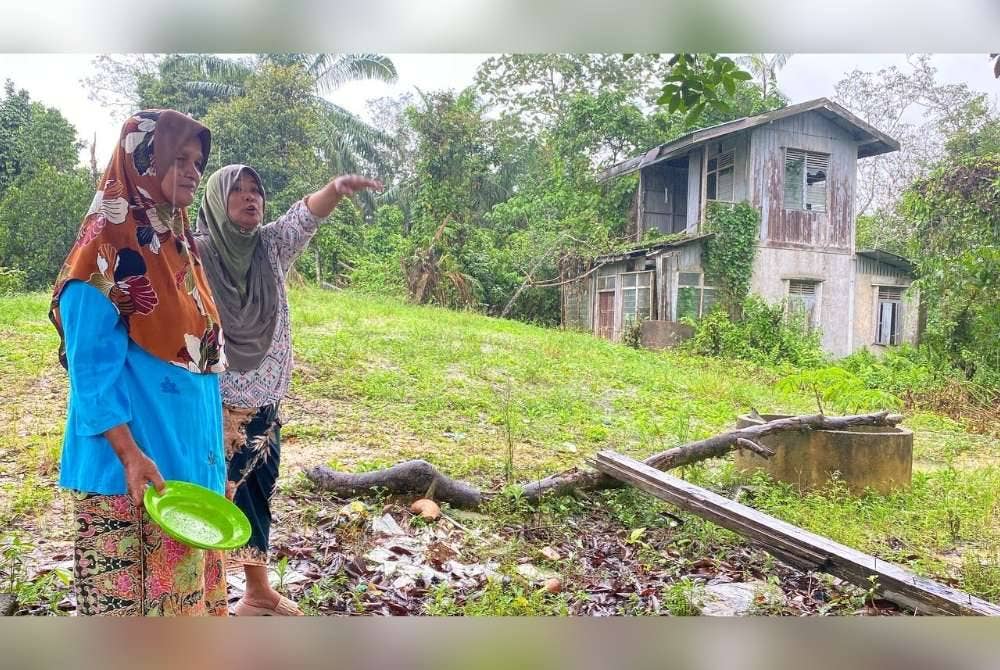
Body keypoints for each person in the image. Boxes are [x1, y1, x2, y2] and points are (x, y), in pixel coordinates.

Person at [50, 110, 229, 617]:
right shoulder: (102, 259)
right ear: (142, 161)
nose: (194, 171)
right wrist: (130, 455)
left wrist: (216, 461)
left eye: (198, 161)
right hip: (131, 478)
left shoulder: (178, 252)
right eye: (180, 159)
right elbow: (91, 378)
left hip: (185, 476)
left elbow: (199, 367)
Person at [195, 164, 381, 616]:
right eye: (237, 191)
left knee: (259, 492)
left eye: (256, 190)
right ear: (218, 201)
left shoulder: (271, 246)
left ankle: (257, 592)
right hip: (214, 403)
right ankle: (206, 603)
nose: (249, 198)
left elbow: (305, 216)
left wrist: (336, 189)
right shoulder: (193, 253)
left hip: (267, 402)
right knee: (215, 499)